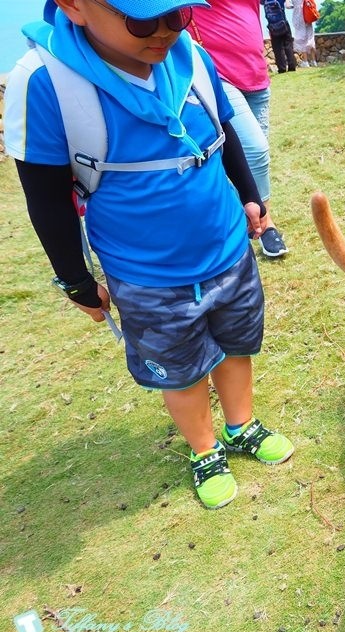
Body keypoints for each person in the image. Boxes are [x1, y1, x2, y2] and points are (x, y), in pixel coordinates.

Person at [5, 0, 295, 509]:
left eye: (176, 15)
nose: (163, 32)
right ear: (75, 7)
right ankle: (204, 449)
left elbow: (223, 137)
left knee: (237, 345)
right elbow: (46, 199)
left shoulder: (191, 59)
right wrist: (75, 281)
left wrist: (251, 198)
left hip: (227, 248)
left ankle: (240, 425)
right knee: (181, 370)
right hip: (147, 276)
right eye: (142, 19)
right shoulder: (49, 83)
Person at [187, 0, 289, 257]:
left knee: (243, 162)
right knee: (256, 150)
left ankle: (243, 221)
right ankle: (266, 224)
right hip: (220, 76)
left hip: (255, 73)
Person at [263, 0, 295, 74]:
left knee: (277, 48)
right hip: (283, 23)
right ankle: (292, 66)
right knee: (288, 45)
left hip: (273, 27)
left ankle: (282, 68)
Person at [291, 0, 317, 67]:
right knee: (310, 37)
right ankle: (313, 61)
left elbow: (288, 5)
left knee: (302, 38)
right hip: (308, 14)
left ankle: (305, 62)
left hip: (299, 16)